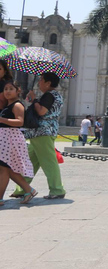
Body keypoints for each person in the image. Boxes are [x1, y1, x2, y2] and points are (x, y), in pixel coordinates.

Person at [13, 72, 67, 200]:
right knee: (30, 162)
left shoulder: (49, 95)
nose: (39, 82)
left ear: (48, 83)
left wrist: (35, 99)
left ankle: (57, 189)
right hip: (42, 133)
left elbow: (42, 111)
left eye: (41, 80)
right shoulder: (55, 95)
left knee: (49, 162)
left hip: (42, 132)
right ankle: (22, 189)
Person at [0, 81, 36, 205]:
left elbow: (20, 122)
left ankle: (0, 198)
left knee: (4, 168)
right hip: (4, 140)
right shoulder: (7, 106)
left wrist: (1, 119)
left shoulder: (17, 105)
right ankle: (29, 190)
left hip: (10, 139)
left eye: (11, 88)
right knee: (9, 169)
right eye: (5, 89)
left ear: (18, 90)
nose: (8, 91)